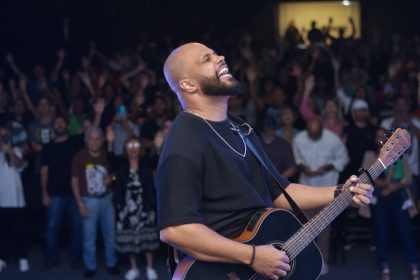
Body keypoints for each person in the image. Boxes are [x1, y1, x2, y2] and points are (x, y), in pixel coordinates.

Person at [155, 42, 373, 280]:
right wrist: (252, 256)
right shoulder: (185, 140)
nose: (221, 58)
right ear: (187, 84)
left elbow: (280, 192)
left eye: (217, 53)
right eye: (207, 59)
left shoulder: (239, 128)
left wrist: (341, 192)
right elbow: (176, 230)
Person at [293, 116, 349, 274]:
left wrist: (329, 166)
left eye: (316, 133)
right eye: (311, 133)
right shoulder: (299, 139)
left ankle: (323, 262)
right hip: (307, 188)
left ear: (322, 130)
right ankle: (303, 261)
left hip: (328, 188)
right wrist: (303, 168)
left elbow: (343, 159)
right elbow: (297, 159)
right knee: (303, 227)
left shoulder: (333, 139)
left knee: (324, 228)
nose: (313, 135)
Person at [362, 127, 419, 280]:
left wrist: (394, 186)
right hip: (379, 198)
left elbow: (408, 178)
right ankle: (384, 267)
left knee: (405, 231)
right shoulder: (370, 155)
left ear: (390, 139)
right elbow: (366, 178)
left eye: (384, 137)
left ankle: (414, 266)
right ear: (375, 140)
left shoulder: (400, 154)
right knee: (381, 232)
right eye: (378, 137)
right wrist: (384, 184)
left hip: (398, 197)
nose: (381, 140)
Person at [71, 126, 119, 279]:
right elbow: (74, 181)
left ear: (102, 140)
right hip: (88, 200)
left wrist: (111, 179)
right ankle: (90, 266)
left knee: (110, 235)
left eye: (97, 138)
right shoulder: (80, 156)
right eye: (91, 138)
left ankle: (112, 264)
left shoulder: (107, 155)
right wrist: (80, 204)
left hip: (107, 199)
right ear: (86, 140)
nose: (94, 142)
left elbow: (117, 172)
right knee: (89, 237)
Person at [40, 115, 84, 269]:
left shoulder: (75, 141)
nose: (59, 124)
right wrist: (44, 193)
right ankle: (51, 258)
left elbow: (93, 135)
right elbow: (44, 171)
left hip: (75, 194)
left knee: (78, 228)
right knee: (52, 227)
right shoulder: (48, 146)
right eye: (56, 122)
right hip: (54, 194)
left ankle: (74, 258)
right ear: (54, 126)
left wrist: (98, 114)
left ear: (66, 125)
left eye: (62, 122)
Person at [114, 137, 160, 280]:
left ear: (140, 149)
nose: (133, 148)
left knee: (147, 237)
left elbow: (158, 161)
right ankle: (134, 268)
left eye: (136, 145)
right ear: (125, 149)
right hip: (127, 207)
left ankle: (150, 267)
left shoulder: (145, 162)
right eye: (130, 145)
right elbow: (109, 159)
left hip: (144, 205)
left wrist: (157, 148)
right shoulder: (121, 163)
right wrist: (110, 142)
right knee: (129, 238)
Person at [0, 123, 29, 273]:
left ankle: (22, 258)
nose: (2, 139)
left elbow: (18, 164)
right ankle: (2, 259)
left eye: (5, 136)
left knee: (19, 231)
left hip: (16, 199)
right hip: (1, 199)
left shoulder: (17, 150)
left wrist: (9, 150)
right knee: (2, 232)